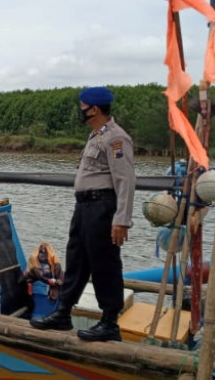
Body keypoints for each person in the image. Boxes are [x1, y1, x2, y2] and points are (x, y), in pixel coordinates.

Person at [29, 86, 136, 342]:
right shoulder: (95, 136)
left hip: (102, 207)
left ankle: (109, 322)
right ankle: (63, 313)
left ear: (94, 109)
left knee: (104, 264)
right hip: (85, 207)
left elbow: (125, 180)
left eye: (82, 106)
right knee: (76, 260)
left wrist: (122, 219)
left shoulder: (116, 138)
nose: (80, 110)